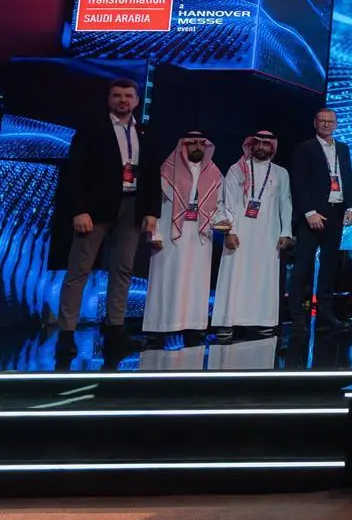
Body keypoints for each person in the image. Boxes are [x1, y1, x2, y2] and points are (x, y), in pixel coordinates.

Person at [53, 77, 158, 346]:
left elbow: (151, 174)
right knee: (79, 269)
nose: (123, 100)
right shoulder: (92, 128)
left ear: (137, 101)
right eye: (117, 95)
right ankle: (66, 333)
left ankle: (114, 330)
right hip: (95, 209)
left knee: (123, 269)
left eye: (128, 96)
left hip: (132, 206)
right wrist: (79, 210)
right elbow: (74, 171)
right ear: (109, 99)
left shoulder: (143, 132)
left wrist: (151, 211)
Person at [211, 131, 293, 337]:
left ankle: (261, 321)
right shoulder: (237, 169)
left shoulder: (281, 173)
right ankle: (227, 322)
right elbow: (228, 202)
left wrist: (286, 232)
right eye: (258, 143)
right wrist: (229, 232)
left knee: (263, 276)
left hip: (269, 234)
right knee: (234, 275)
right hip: (240, 232)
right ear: (251, 145)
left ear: (272, 147)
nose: (261, 147)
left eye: (266, 144)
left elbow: (286, 204)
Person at [142, 132, 222, 338]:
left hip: (200, 237)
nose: (197, 147)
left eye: (201, 143)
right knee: (165, 280)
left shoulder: (214, 173)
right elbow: (155, 204)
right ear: (183, 146)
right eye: (192, 143)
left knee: (196, 281)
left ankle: (194, 327)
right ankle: (158, 328)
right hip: (169, 236)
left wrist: (223, 222)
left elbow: (219, 205)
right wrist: (155, 234)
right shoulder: (168, 169)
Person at [288, 109, 352, 330]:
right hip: (312, 215)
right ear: (315, 123)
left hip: (336, 213)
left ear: (336, 124)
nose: (326, 125)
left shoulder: (343, 149)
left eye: (330, 121)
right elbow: (298, 183)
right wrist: (309, 212)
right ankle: (297, 315)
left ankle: (326, 314)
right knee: (303, 265)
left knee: (329, 267)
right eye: (322, 121)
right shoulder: (305, 148)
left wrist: (350, 206)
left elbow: (347, 177)